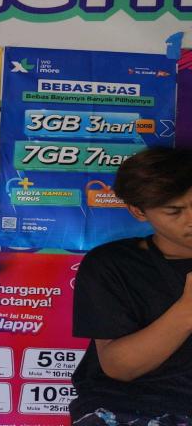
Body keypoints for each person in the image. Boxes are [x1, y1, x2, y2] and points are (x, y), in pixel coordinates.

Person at [70, 146, 192, 426]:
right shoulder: (112, 264)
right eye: (174, 211)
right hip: (130, 406)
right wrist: (186, 311)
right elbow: (119, 367)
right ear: (138, 211)